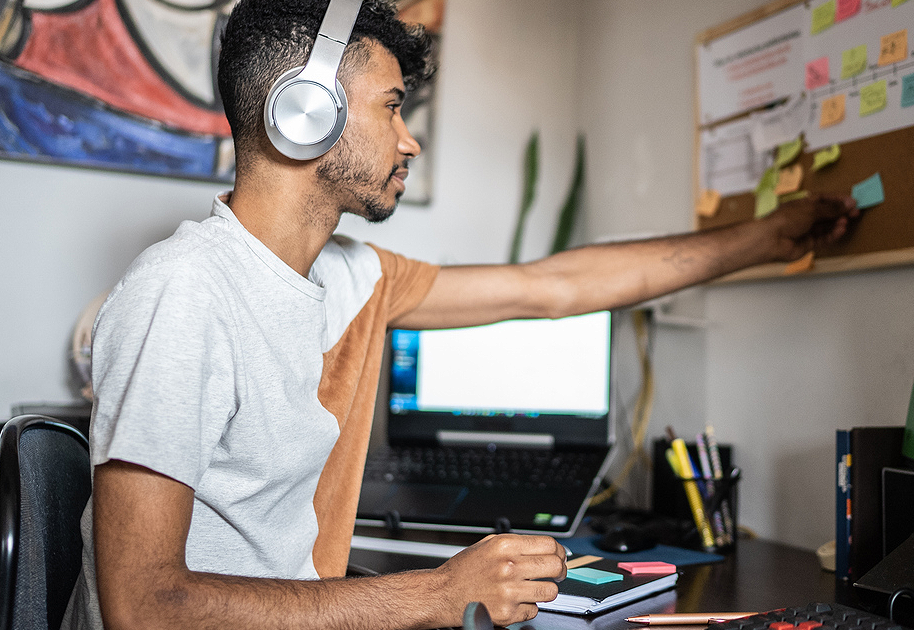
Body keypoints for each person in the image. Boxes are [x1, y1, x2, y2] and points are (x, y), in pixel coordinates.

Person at [61, 1, 859, 629]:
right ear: (302, 114)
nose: (409, 142)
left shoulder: (349, 276)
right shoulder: (185, 291)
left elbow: (549, 287)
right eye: (392, 107)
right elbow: (145, 607)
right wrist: (436, 593)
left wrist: (765, 238)